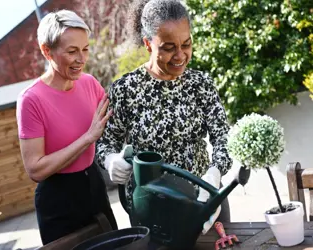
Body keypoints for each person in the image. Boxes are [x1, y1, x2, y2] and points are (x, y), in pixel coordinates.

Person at [96, 0, 233, 226]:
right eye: (169, 47)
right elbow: (104, 144)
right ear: (148, 43)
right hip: (152, 211)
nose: (180, 56)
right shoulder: (125, 90)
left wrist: (215, 173)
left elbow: (223, 137)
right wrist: (111, 160)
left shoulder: (201, 84)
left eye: (186, 44)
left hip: (204, 202)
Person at [16, 10, 117, 245]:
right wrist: (87, 138)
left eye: (85, 49)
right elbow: (35, 169)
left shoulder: (90, 83)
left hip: (93, 185)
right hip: (58, 201)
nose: (81, 59)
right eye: (72, 51)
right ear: (46, 51)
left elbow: (116, 122)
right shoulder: (31, 100)